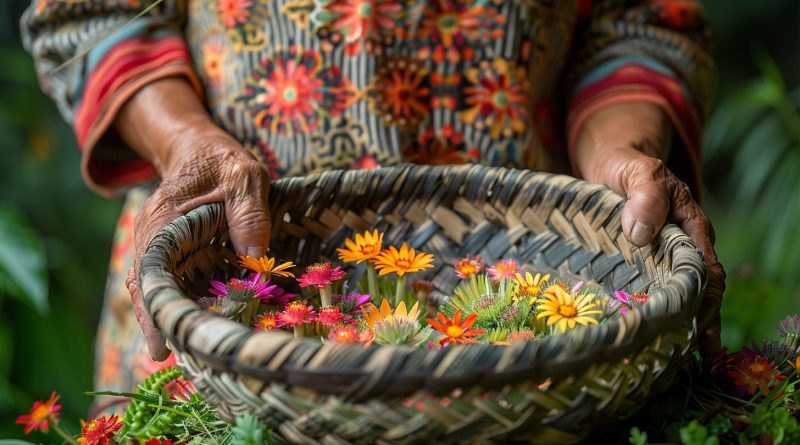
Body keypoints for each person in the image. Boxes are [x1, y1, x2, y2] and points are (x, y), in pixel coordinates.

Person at [21, 0, 725, 410]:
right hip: (228, 294)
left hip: (527, 310)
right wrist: (184, 142)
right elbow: (93, 14)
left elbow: (638, 21)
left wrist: (618, 151)